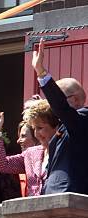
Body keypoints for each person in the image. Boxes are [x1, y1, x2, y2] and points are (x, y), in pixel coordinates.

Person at [32, 38, 88, 194]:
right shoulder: (63, 127)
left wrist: (42, 73)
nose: (52, 106)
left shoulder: (83, 118)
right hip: (52, 196)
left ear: (75, 99)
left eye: (59, 97)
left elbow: (61, 108)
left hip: (70, 195)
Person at [0, 103, 59, 197]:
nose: (36, 134)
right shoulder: (31, 154)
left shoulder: (65, 151)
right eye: (34, 128)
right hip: (33, 209)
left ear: (56, 127)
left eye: (40, 128)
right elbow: (1, 164)